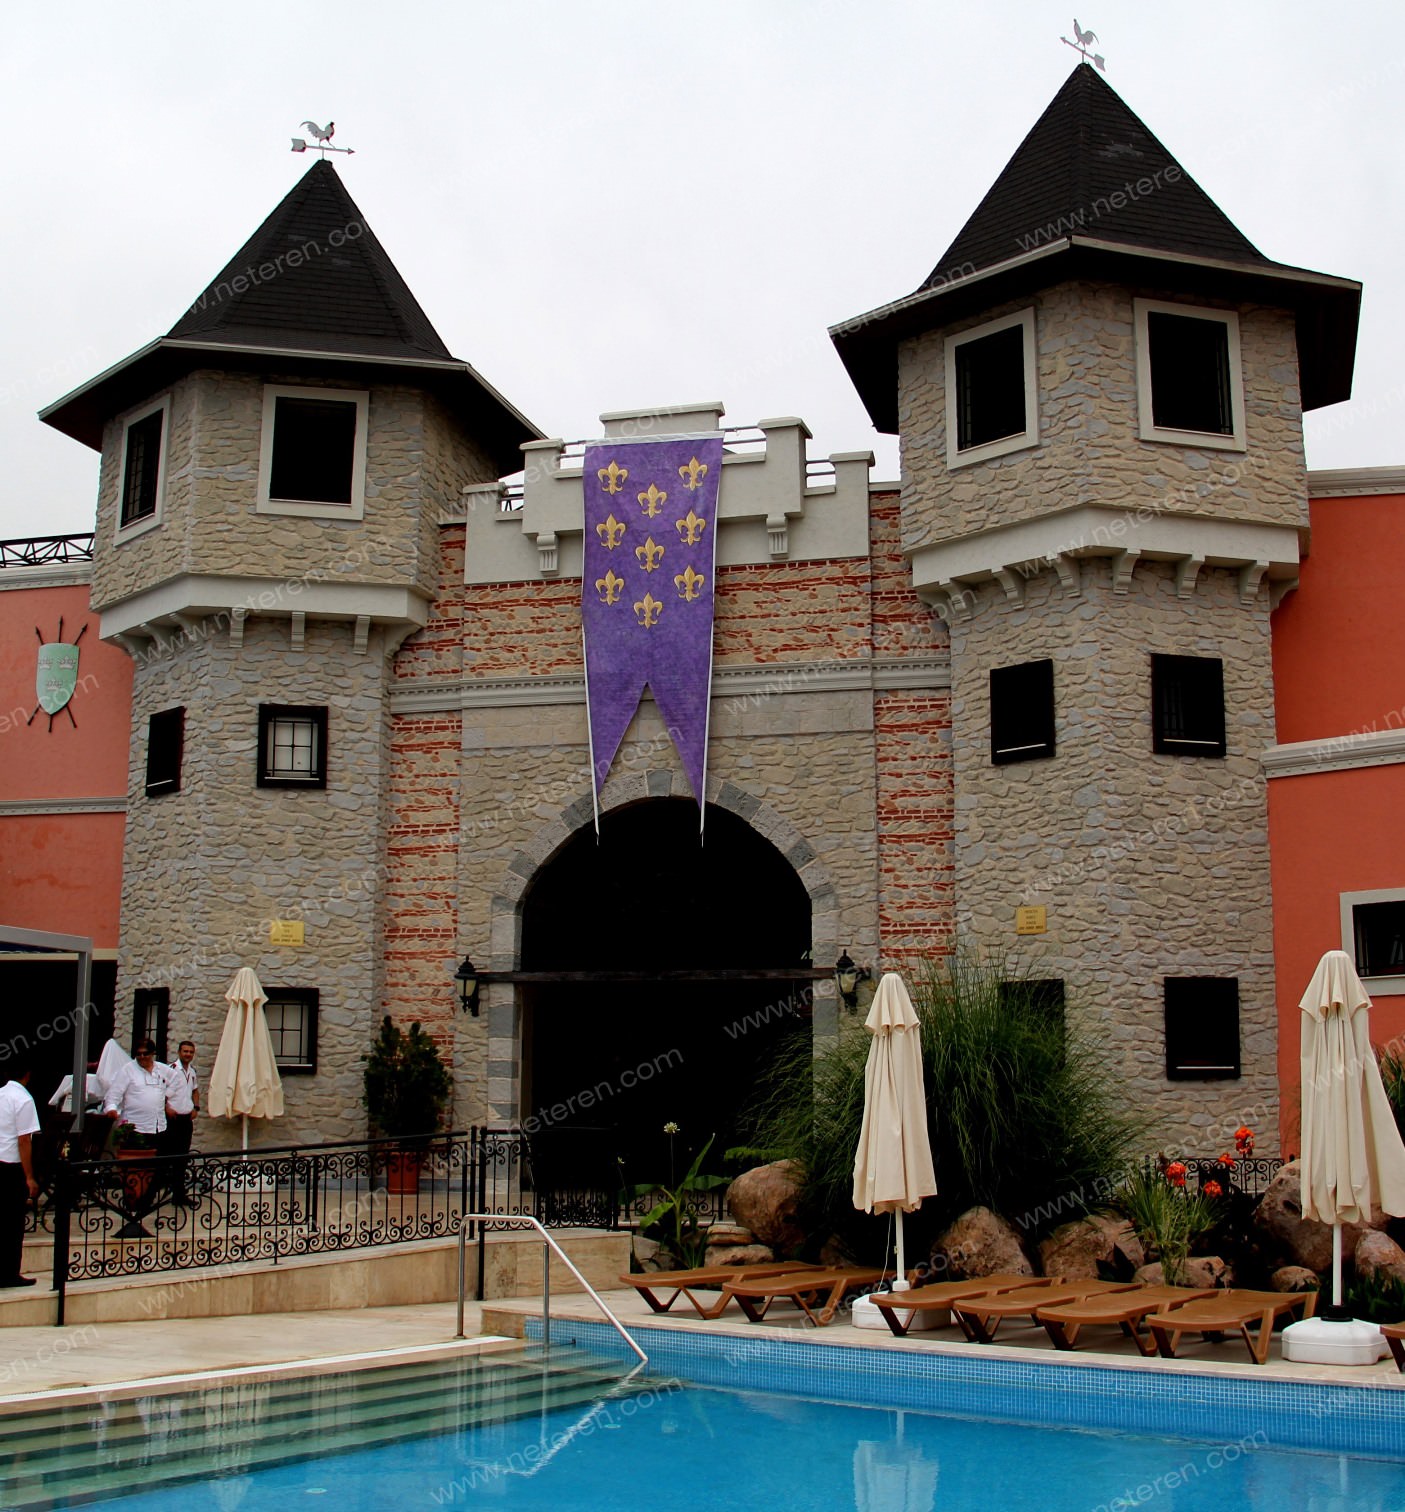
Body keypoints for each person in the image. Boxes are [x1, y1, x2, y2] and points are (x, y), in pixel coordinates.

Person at [0, 1058, 41, 1287]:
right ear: (27, 1075)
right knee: (13, 1223)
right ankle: (8, 1273)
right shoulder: (23, 1099)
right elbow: (24, 1140)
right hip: (10, 1165)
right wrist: (29, 1176)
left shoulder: (1, 1094)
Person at [104, 1040, 176, 1139]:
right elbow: (114, 1093)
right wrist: (111, 1108)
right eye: (138, 1054)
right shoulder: (127, 1070)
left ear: (152, 1053)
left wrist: (167, 1097)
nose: (142, 1056)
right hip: (133, 1127)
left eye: (145, 1054)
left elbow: (177, 1080)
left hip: (158, 1126)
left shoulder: (162, 1069)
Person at [162, 1040, 199, 1206]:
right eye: (185, 1051)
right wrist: (165, 1107)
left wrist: (196, 1107)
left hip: (186, 1119)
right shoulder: (171, 1070)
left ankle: (179, 1194)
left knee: (182, 1157)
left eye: (190, 1052)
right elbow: (160, 1091)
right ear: (179, 1052)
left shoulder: (192, 1071)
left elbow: (195, 1090)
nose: (188, 1054)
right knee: (168, 1155)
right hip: (172, 1119)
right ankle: (158, 1192)